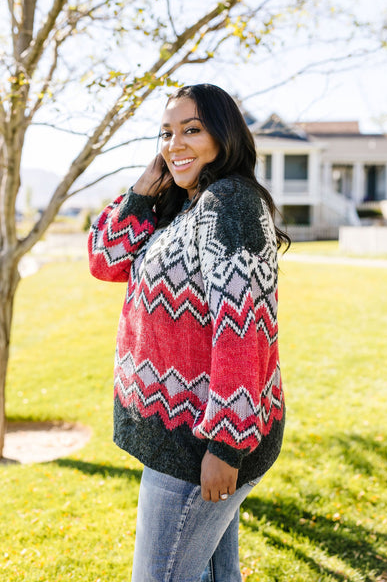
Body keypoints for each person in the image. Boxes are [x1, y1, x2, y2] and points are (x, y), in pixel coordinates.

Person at [88, 83, 290, 582]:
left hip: (198, 445)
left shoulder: (229, 204)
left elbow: (243, 330)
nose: (174, 143)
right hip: (178, 435)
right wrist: (143, 189)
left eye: (192, 130)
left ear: (224, 136)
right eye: (166, 133)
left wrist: (224, 447)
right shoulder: (184, 206)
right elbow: (105, 261)